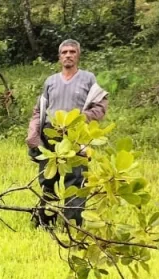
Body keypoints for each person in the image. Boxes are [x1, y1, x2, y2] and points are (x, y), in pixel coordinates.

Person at [26, 39, 108, 227]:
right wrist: (33, 134)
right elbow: (40, 109)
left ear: (78, 55)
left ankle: (72, 225)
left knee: (76, 182)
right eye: (64, 52)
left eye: (72, 51)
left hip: (76, 139)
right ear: (59, 57)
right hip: (51, 139)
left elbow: (100, 106)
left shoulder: (88, 78)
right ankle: (45, 221)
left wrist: (77, 118)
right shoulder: (51, 81)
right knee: (48, 180)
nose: (68, 55)